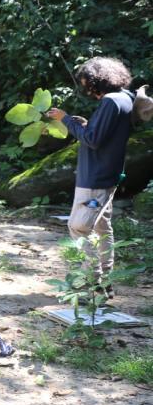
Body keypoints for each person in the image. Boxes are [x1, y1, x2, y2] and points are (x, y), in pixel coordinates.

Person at [46, 57, 134, 290]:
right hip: (109, 175)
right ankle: (106, 280)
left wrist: (64, 118)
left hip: (95, 178)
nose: (86, 89)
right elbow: (102, 134)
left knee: (78, 226)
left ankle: (91, 282)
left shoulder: (110, 102)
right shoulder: (125, 98)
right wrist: (85, 124)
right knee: (102, 227)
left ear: (97, 81)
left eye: (87, 84)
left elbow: (92, 140)